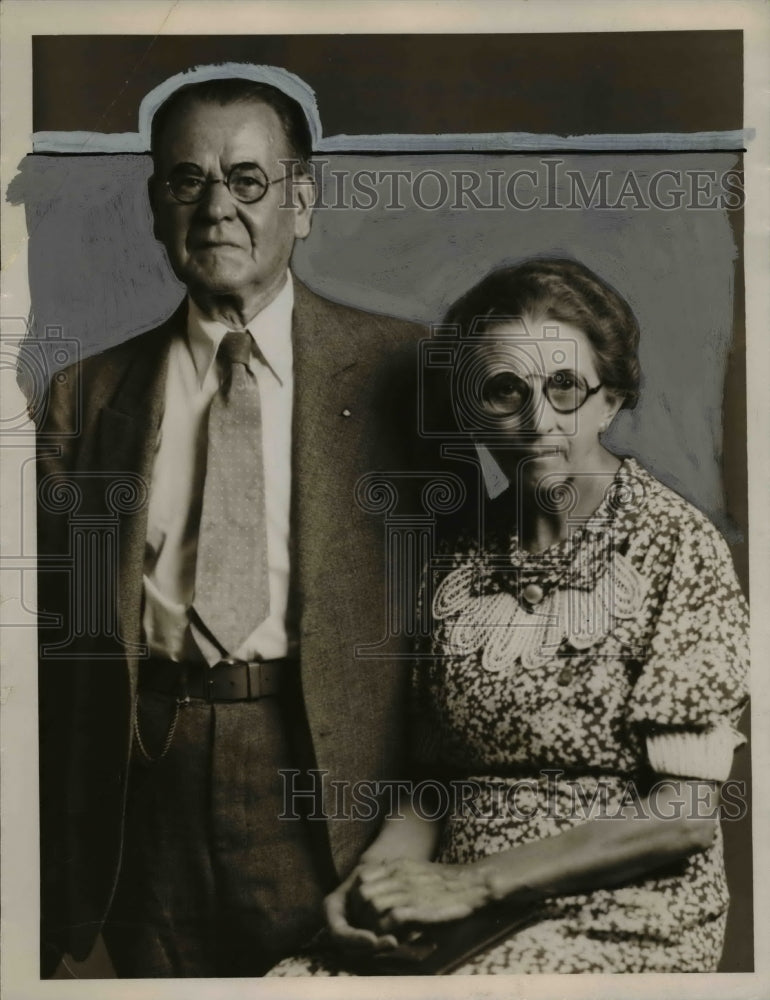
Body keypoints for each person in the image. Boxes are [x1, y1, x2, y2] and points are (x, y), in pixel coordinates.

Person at [36, 74, 423, 977]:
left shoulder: (405, 372)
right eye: (187, 181)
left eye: (247, 180)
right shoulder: (84, 395)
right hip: (145, 782)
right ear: (156, 207)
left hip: (333, 782)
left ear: (303, 203)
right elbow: (54, 642)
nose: (216, 208)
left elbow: (467, 608)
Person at [269, 256, 749, 975]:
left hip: (621, 909)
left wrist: (471, 884)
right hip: (453, 906)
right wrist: (368, 889)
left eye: (565, 387)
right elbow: (432, 787)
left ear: (610, 401)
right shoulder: (452, 552)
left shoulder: (676, 545)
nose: (536, 421)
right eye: (505, 390)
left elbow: (683, 816)